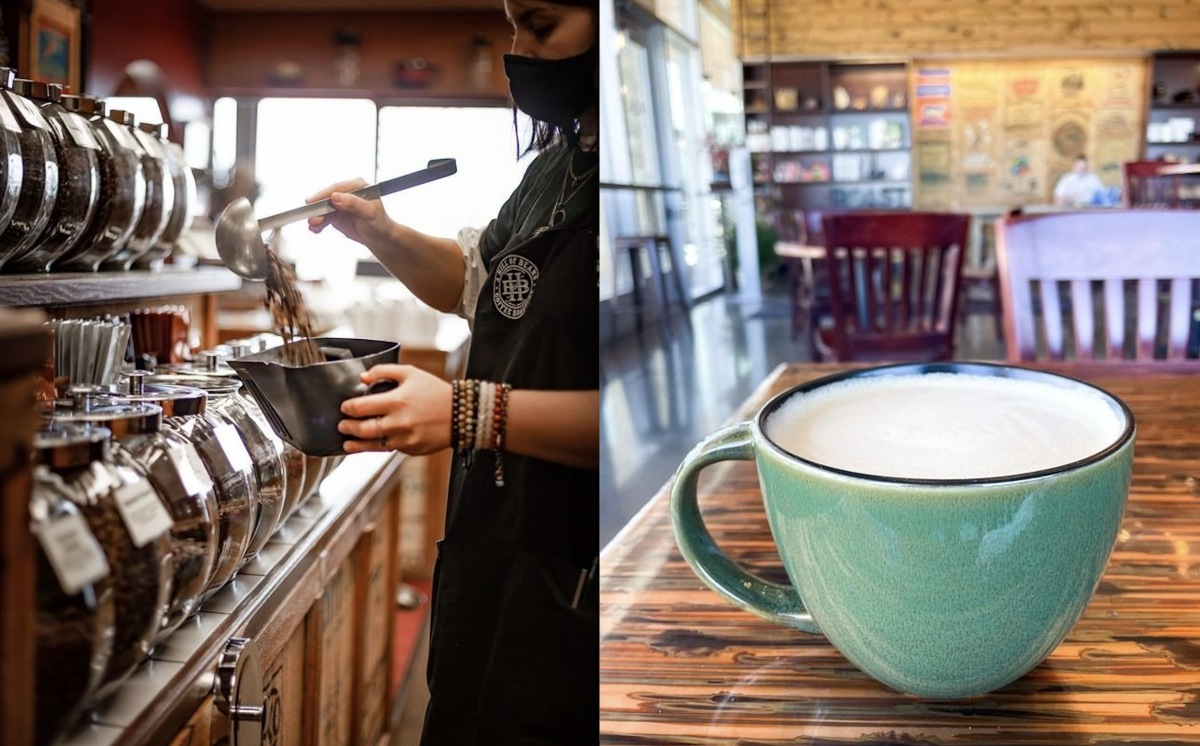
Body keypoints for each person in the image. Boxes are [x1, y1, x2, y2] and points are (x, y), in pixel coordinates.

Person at [305, 0, 597, 743]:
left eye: (538, 26)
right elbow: (483, 282)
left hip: (581, 569)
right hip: (496, 537)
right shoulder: (559, 162)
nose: (516, 52)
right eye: (509, 27)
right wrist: (382, 231)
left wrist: (471, 413)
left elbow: (664, 421)